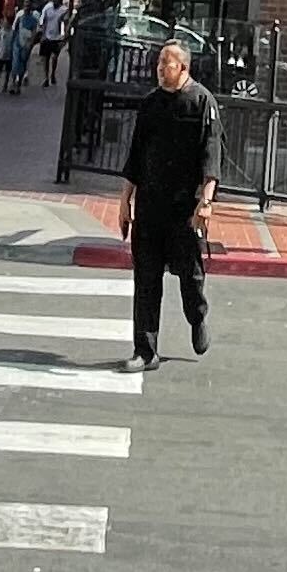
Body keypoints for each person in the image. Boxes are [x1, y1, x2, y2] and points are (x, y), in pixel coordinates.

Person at [119, 38, 217, 367]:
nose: (161, 70)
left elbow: (211, 155)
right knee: (146, 278)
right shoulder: (150, 104)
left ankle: (197, 316)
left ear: (184, 68)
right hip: (150, 204)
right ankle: (145, 350)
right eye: (159, 64)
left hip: (184, 208)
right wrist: (125, 202)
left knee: (190, 275)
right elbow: (135, 156)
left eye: (168, 64)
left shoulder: (202, 102)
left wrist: (206, 201)